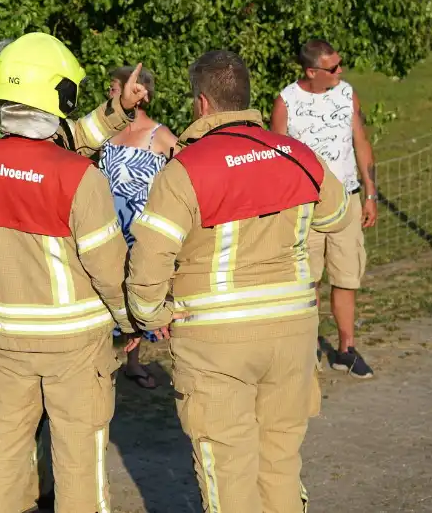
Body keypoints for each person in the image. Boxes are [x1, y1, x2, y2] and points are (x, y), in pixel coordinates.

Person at [125, 49, 354, 512]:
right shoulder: (296, 154)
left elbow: (150, 256)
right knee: (280, 463)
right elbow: (336, 215)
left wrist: (152, 315)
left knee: (227, 470)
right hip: (292, 331)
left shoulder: (185, 170)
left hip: (216, 338)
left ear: (202, 104)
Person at [0, 40, 148, 511]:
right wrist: (131, 320)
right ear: (58, 97)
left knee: (1, 456)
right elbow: (107, 266)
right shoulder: (77, 176)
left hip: (3, 336)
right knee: (78, 463)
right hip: (73, 345)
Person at [271, 39, 378, 379]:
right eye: (333, 68)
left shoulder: (347, 94)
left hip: (348, 200)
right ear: (311, 71)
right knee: (308, 280)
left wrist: (371, 192)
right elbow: (278, 160)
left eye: (340, 64)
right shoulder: (286, 102)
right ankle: (307, 348)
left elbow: (360, 142)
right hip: (307, 207)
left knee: (347, 276)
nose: (340, 72)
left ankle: (346, 349)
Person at [97, 65, 177, 389]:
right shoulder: (105, 132)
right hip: (104, 227)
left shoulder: (161, 136)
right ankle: (102, 360)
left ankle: (133, 361)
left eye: (115, 88)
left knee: (136, 287)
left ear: (139, 94)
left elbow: (188, 176)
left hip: (139, 228)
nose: (109, 95)